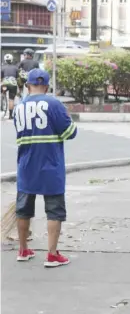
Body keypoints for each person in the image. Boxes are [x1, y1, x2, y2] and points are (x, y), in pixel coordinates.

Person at [13, 68, 78, 267]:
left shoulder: (18, 107)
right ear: (47, 86)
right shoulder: (54, 104)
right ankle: (51, 255)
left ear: (27, 86)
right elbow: (70, 133)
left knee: (23, 209)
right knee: (54, 210)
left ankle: (23, 250)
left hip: (26, 166)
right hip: (51, 165)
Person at [1, 54, 19, 119]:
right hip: (13, 84)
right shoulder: (16, 67)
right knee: (11, 99)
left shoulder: (2, 67)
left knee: (2, 91)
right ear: (12, 60)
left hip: (5, 84)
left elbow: (1, 77)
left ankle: (2, 97)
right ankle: (10, 115)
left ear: (5, 60)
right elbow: (17, 77)